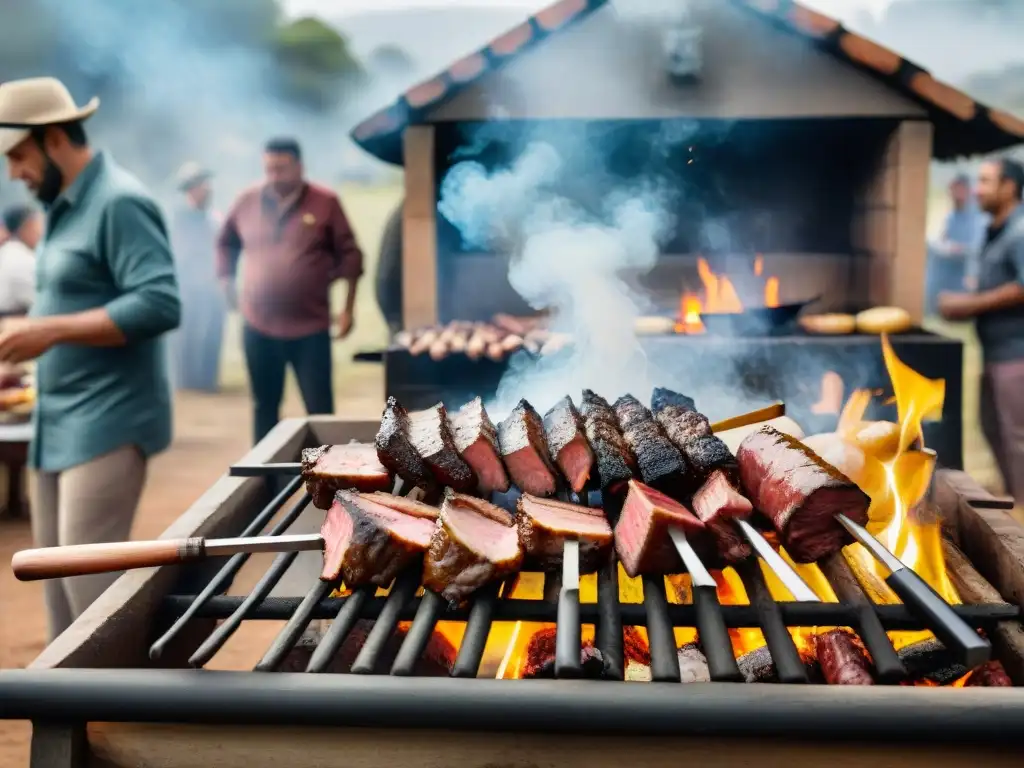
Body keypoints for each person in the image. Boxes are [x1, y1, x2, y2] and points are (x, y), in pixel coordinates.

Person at [0, 77, 181, 641]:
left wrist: (48, 331)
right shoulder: (61, 206)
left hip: (109, 420)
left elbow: (159, 302)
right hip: (57, 419)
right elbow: (74, 298)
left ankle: (126, 718)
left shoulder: (120, 202)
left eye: (20, 156)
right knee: (58, 591)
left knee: (92, 599)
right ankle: (71, 725)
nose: (13, 173)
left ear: (55, 138)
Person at [216, 137, 363, 444]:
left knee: (319, 410)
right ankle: (265, 482)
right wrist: (226, 280)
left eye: (281, 169)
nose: (274, 176)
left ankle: (330, 477)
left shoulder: (325, 202)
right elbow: (225, 241)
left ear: (299, 167)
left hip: (310, 327)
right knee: (264, 406)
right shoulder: (246, 200)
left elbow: (351, 256)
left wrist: (348, 308)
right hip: (258, 325)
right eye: (269, 169)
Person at [939, 157, 1024, 504]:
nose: (977, 189)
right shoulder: (993, 230)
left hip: (1017, 354)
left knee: (1017, 436)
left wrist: (968, 304)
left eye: (986, 181)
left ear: (1009, 187)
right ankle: (1015, 501)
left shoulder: (1021, 231)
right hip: (994, 351)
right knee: (993, 429)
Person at [169, 161, 225, 392]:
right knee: (187, 334)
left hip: (212, 286)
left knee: (212, 331)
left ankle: (207, 380)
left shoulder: (215, 218)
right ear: (191, 189)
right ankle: (187, 381)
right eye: (203, 185)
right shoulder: (179, 220)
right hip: (188, 287)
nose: (208, 189)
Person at [927, 173, 986, 312]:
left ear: (966, 190)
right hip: (951, 266)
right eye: (951, 190)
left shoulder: (977, 216)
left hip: (968, 270)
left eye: (957, 190)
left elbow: (977, 248)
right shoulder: (952, 216)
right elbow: (943, 238)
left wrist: (958, 249)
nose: (953, 194)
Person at [0, 204, 42, 316]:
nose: (42, 233)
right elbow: (45, 300)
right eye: (39, 226)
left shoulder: (10, 252)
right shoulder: (18, 257)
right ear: (28, 226)